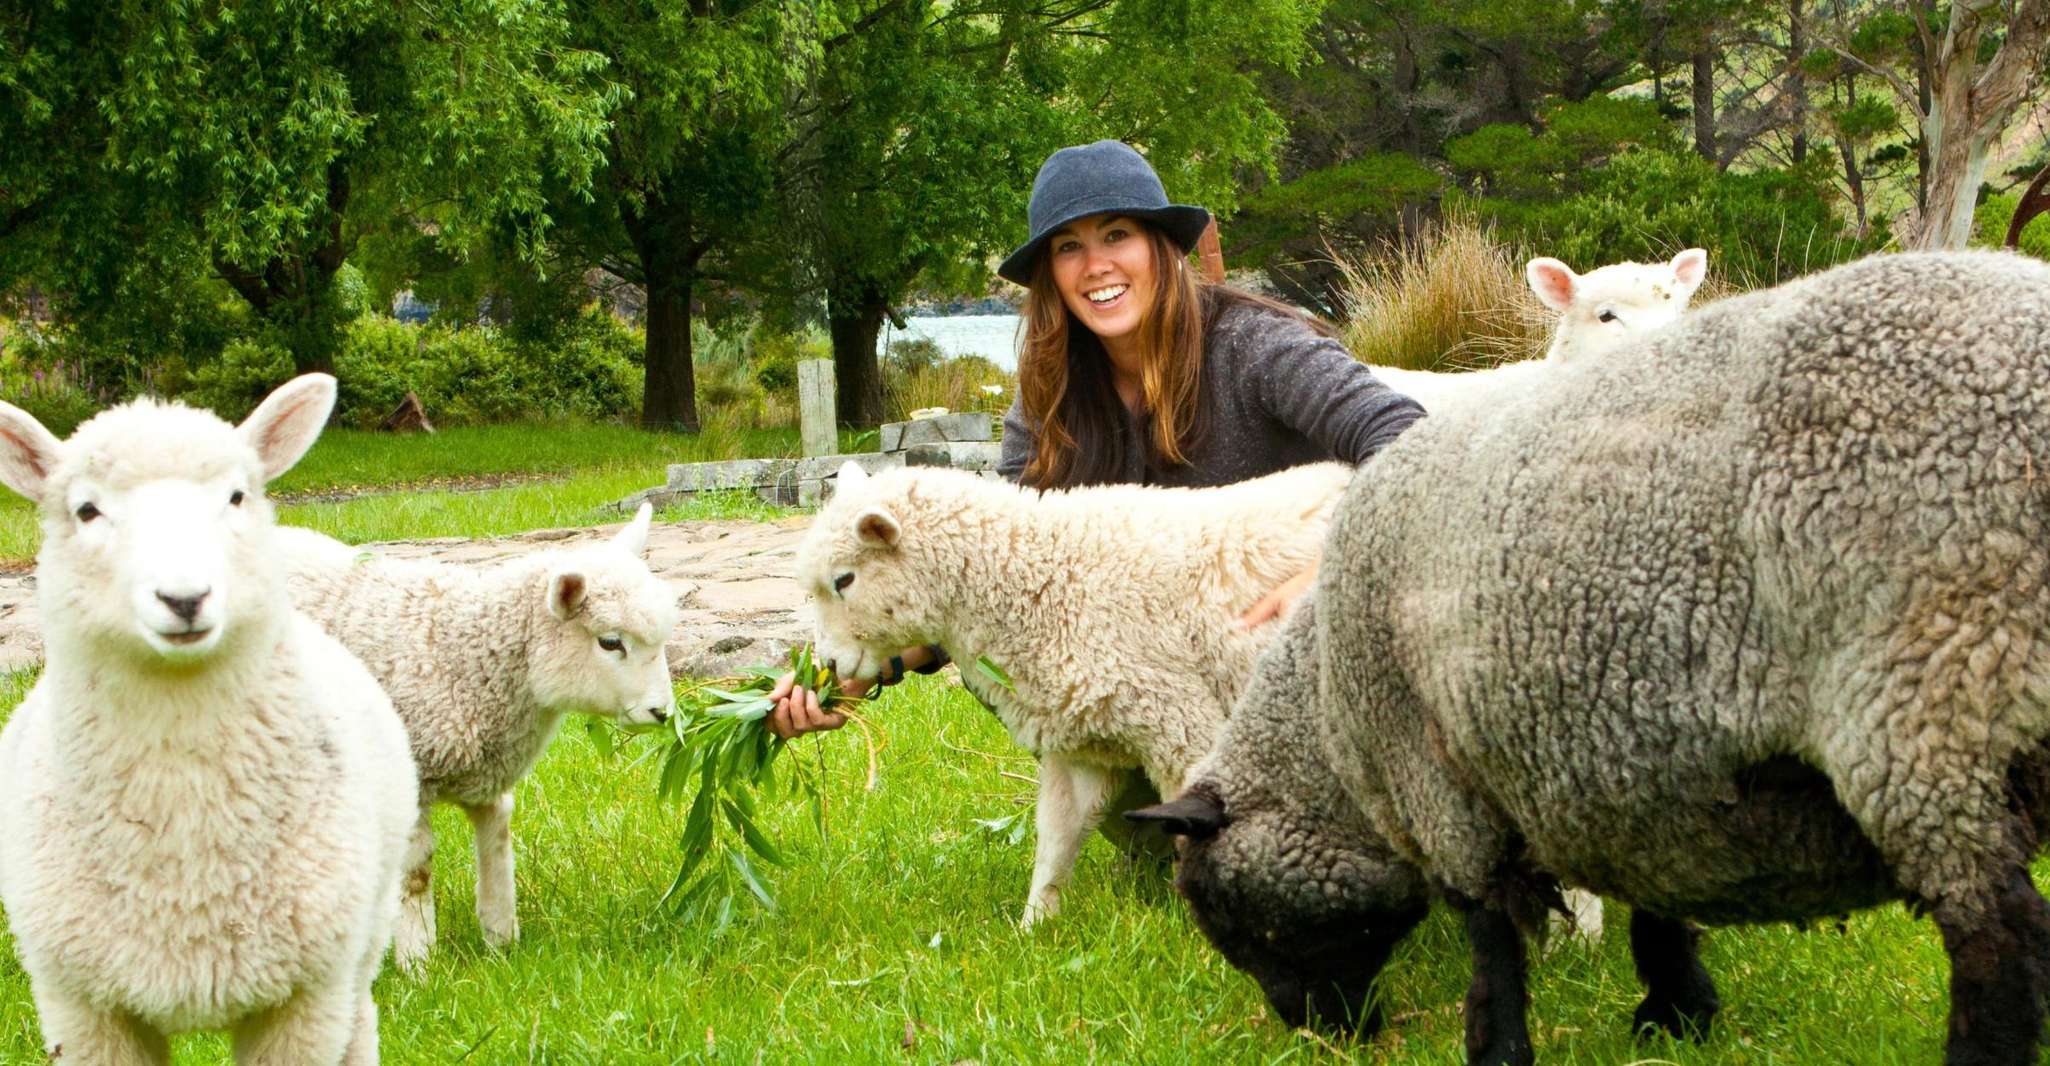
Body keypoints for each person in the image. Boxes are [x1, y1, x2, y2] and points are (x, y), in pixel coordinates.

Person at [767, 139, 1424, 743]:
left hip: (1305, 660)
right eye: (1068, 246)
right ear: (1050, 272)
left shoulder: (1258, 347)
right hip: (1164, 691)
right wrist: (861, 670)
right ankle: (1161, 807)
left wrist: (1329, 575)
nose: (1096, 265)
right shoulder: (1050, 398)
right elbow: (992, 581)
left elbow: (1413, 441)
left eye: (1117, 235)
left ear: (1160, 246)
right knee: (996, 661)